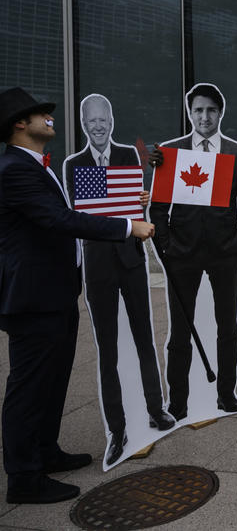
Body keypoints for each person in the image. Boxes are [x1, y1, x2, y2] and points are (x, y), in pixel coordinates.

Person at [0, 87, 155, 504]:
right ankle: (24, 477)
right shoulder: (14, 167)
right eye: (41, 114)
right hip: (33, 298)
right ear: (20, 123)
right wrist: (127, 226)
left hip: (55, 292)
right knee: (29, 386)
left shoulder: (37, 166)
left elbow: (72, 211)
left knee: (52, 381)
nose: (50, 118)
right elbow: (59, 219)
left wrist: (133, 202)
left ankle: (45, 451)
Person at [63, 94, 174, 465]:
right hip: (97, 265)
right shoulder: (74, 164)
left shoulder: (128, 155)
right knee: (107, 349)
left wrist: (141, 198)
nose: (98, 126)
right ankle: (117, 428)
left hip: (130, 260)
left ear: (111, 121)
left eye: (103, 119)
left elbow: (126, 204)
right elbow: (86, 215)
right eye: (91, 120)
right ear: (83, 123)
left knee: (145, 337)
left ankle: (156, 410)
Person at [148, 83, 237, 419]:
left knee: (228, 326)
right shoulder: (172, 151)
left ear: (220, 113)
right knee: (180, 331)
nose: (204, 116)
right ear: (189, 113)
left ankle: (226, 393)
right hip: (181, 253)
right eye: (198, 110)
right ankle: (178, 402)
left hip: (225, 252)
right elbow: (157, 207)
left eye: (211, 110)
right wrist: (165, 246)